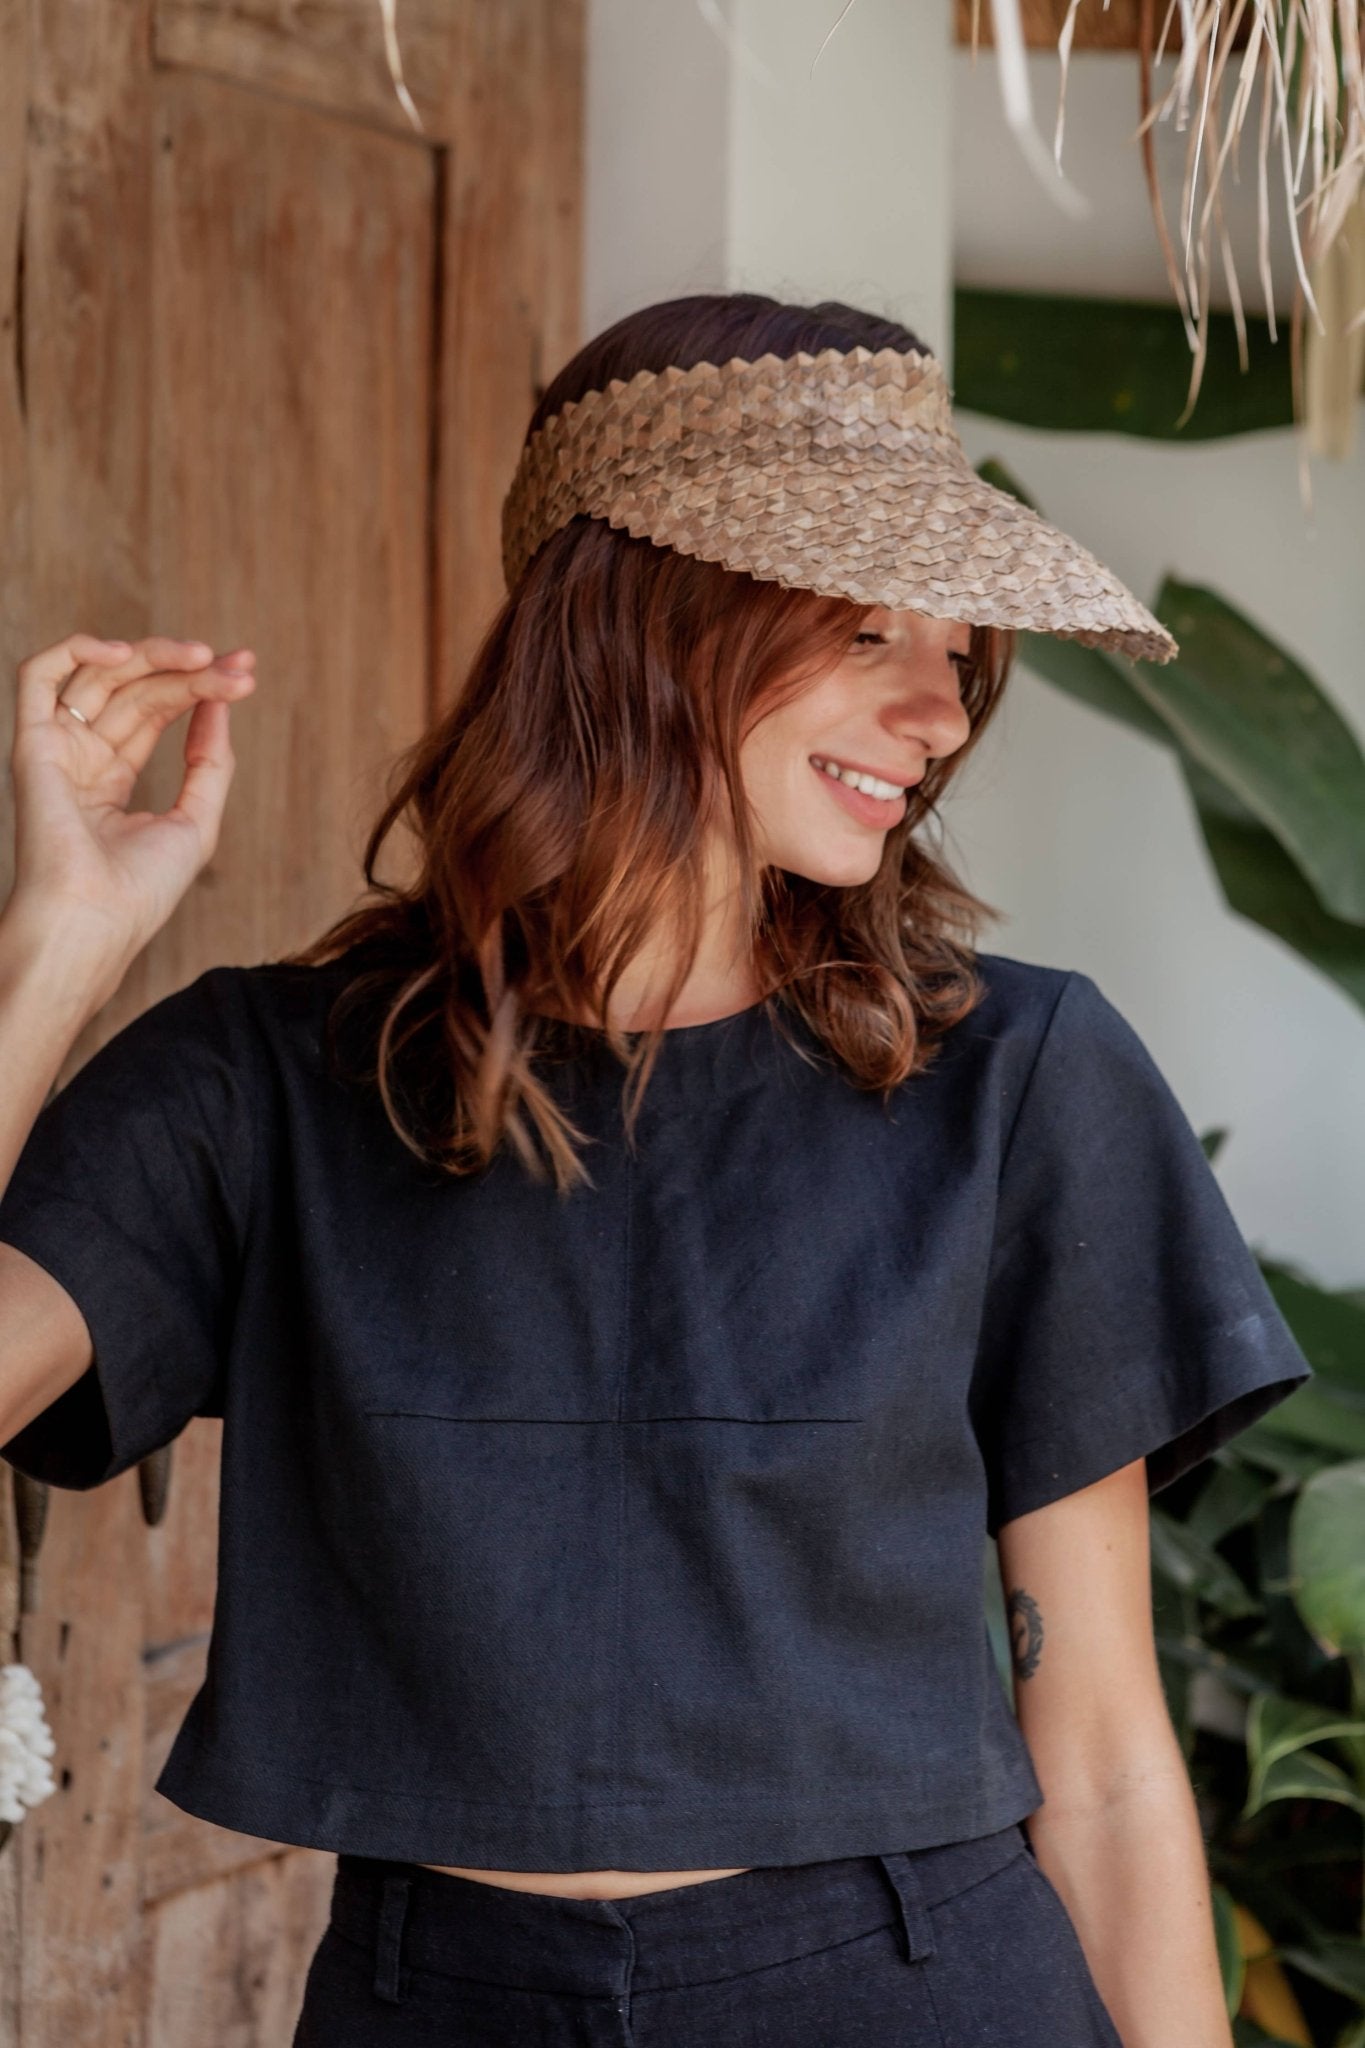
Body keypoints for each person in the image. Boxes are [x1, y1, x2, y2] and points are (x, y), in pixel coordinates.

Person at [0, 293, 1313, 2046]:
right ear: (640, 623)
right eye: (863, 632)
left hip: (913, 1988)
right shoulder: (274, 1081)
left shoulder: (1017, 1079)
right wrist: (61, 946)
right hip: (437, 2001)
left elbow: (1105, 1756)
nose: (937, 712)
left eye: (958, 652)